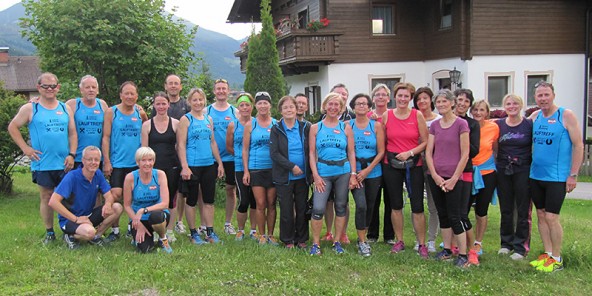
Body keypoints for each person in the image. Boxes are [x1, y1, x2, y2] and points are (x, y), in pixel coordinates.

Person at [8, 72, 77, 245]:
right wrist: (25, 148)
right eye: (46, 86)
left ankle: (69, 230)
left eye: (53, 86)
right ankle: (49, 232)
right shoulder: (31, 108)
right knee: (46, 197)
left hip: (64, 162)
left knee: (68, 197)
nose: (50, 89)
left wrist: (72, 154)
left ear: (58, 88)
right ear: (39, 87)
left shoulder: (64, 108)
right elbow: (13, 127)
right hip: (43, 163)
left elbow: (72, 133)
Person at [528, 81, 583, 272]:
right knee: (541, 215)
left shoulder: (565, 115)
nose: (543, 98)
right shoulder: (534, 117)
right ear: (535, 98)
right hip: (536, 175)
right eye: (539, 95)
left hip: (557, 177)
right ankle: (548, 254)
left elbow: (578, 145)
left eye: (546, 95)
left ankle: (558, 259)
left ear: (553, 95)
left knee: (552, 217)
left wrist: (573, 175)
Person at [381, 82, 429, 258]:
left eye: (406, 96)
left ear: (410, 98)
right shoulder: (387, 115)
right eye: (400, 96)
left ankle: (422, 243)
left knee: (417, 206)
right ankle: (399, 240)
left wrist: (410, 152)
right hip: (391, 164)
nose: (402, 99)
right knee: (396, 205)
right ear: (395, 97)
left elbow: (425, 141)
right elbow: (383, 141)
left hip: (413, 164)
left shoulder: (417, 116)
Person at [425, 89, 471, 268]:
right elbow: (429, 152)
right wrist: (435, 175)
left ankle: (464, 254)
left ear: (452, 103)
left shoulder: (461, 124)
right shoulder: (435, 125)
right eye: (438, 102)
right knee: (442, 214)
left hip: (454, 178)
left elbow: (465, 153)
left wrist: (454, 178)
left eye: (445, 101)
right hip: (436, 176)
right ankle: (446, 249)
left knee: (455, 215)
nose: (441, 104)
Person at [308, 92, 358, 255]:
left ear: (341, 108)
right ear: (325, 106)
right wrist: (315, 175)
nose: (333, 107)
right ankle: (315, 244)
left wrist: (352, 173)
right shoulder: (316, 128)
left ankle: (337, 241)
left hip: (342, 172)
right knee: (318, 208)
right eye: (331, 104)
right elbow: (311, 153)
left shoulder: (345, 127)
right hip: (323, 172)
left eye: (337, 105)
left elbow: (351, 152)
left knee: (341, 206)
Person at [48, 146, 123, 249]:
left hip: (88, 216)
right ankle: (70, 236)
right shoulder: (72, 177)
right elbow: (53, 202)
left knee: (117, 207)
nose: (93, 162)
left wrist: (107, 204)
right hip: (70, 220)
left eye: (96, 160)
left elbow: (108, 195)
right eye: (89, 159)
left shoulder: (98, 174)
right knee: (89, 232)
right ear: (83, 160)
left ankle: (96, 237)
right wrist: (76, 219)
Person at [102, 81, 148, 242]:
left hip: (136, 164)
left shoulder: (140, 113)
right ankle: (114, 230)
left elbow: (146, 132)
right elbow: (106, 137)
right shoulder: (111, 112)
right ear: (120, 95)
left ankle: (131, 227)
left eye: (132, 94)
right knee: (116, 195)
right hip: (118, 163)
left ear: (137, 96)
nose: (129, 96)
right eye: (126, 93)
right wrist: (106, 160)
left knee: (135, 196)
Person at [178, 88, 225, 245]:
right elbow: (181, 145)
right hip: (192, 165)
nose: (198, 103)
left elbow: (212, 142)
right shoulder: (186, 119)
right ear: (189, 102)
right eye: (195, 100)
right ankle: (193, 234)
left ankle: (209, 232)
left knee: (209, 200)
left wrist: (219, 163)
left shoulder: (208, 119)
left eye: (200, 100)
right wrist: (184, 166)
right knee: (191, 200)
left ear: (204, 101)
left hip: (208, 165)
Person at [270, 96, 311, 249]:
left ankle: (301, 239)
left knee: (302, 208)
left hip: (303, 177)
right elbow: (274, 153)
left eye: (291, 107)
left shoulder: (305, 127)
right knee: (287, 210)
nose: (289, 110)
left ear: (296, 109)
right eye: (285, 107)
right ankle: (288, 239)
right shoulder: (276, 129)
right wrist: (291, 166)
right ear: (280, 111)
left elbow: (311, 150)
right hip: (284, 176)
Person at [495, 94, 533, 260]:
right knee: (506, 208)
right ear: (504, 106)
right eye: (508, 104)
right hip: (504, 169)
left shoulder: (528, 125)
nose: (512, 106)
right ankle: (506, 243)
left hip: (523, 169)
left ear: (521, 105)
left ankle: (520, 246)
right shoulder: (499, 125)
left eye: (515, 103)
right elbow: (495, 147)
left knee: (523, 209)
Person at [141, 92, 180, 242]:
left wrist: (183, 166)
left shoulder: (176, 124)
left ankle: (169, 230)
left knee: (171, 200)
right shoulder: (147, 125)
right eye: (158, 103)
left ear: (168, 105)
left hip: (172, 166)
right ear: (154, 105)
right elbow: (144, 150)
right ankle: (157, 228)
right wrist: (145, 168)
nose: (161, 106)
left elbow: (180, 146)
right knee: (155, 199)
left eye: (164, 103)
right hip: (153, 168)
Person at [349, 93, 385, 256]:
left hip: (373, 171)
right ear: (353, 107)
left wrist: (367, 170)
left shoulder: (376, 126)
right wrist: (355, 172)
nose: (362, 106)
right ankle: (362, 241)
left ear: (369, 107)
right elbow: (345, 150)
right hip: (354, 171)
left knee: (371, 206)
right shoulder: (347, 125)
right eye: (358, 104)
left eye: (365, 103)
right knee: (361, 205)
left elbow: (381, 151)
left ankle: (365, 233)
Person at [242, 91, 278, 245]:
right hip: (256, 168)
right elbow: (245, 149)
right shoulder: (251, 125)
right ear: (255, 106)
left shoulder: (276, 124)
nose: (263, 106)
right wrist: (246, 171)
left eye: (265, 103)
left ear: (270, 105)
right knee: (260, 203)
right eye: (260, 103)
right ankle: (261, 235)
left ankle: (271, 234)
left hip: (273, 169)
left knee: (271, 203)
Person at [320, 83, 354, 244]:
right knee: (328, 201)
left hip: (343, 168)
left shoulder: (351, 117)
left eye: (343, 95)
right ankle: (328, 231)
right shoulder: (321, 121)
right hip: (325, 169)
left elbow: (351, 149)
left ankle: (343, 233)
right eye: (336, 95)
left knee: (342, 202)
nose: (339, 98)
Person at [123, 147, 172, 253]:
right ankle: (138, 238)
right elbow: (126, 206)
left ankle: (163, 238)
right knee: (146, 249)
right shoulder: (130, 178)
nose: (147, 163)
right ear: (137, 162)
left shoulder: (160, 175)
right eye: (143, 160)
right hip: (138, 219)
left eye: (150, 160)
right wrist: (138, 224)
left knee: (156, 216)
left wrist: (143, 210)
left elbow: (165, 204)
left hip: (157, 216)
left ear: (154, 161)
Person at [206, 78, 238, 235]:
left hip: (231, 157)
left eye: (223, 88)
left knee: (231, 189)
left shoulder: (235, 112)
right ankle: (205, 225)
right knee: (205, 190)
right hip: (211, 158)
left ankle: (228, 223)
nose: (221, 91)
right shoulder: (207, 111)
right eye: (218, 88)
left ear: (228, 90)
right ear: (214, 91)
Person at [468, 100, 499, 259]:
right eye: (475, 110)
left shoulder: (493, 127)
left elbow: (496, 150)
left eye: (481, 110)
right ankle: (460, 240)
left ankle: (478, 242)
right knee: (463, 208)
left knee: (481, 209)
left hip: (487, 173)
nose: (478, 113)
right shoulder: (467, 125)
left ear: (487, 113)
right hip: (468, 171)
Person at [160, 74, 190, 236]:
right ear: (166, 86)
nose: (173, 86)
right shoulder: (160, 104)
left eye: (176, 83)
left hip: (182, 151)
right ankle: (162, 219)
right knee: (166, 188)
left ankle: (179, 221)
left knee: (181, 191)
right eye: (170, 83)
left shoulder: (186, 104)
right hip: (165, 152)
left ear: (180, 86)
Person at [452, 88, 480, 265]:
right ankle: (453, 246)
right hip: (445, 171)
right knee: (450, 213)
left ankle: (471, 252)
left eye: (466, 101)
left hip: (465, 172)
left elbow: (474, 150)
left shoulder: (472, 124)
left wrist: (460, 139)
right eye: (459, 99)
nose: (462, 103)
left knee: (462, 213)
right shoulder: (444, 121)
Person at [412, 86, 441, 253]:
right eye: (418, 99)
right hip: (416, 163)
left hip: (434, 165)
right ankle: (418, 239)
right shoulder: (413, 117)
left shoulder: (438, 119)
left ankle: (431, 239)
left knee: (433, 205)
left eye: (425, 98)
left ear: (431, 100)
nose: (422, 101)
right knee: (416, 204)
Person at [226, 93, 258, 240]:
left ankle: (253, 230)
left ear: (252, 107)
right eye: (241, 105)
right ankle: (240, 230)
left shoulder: (257, 123)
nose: (244, 108)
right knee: (243, 199)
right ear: (237, 108)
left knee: (255, 200)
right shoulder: (233, 125)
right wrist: (240, 155)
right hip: (239, 166)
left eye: (247, 105)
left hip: (256, 166)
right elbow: (229, 147)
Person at [366, 83, 395, 245]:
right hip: (374, 162)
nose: (381, 97)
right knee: (373, 199)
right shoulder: (368, 115)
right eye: (377, 94)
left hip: (389, 161)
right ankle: (372, 233)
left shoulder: (393, 115)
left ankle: (389, 235)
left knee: (390, 199)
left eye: (384, 94)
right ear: (373, 98)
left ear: (388, 98)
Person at [65, 75, 109, 168]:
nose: (91, 90)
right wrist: (36, 100)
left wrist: (136, 107)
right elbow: (55, 109)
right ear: (81, 90)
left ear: (97, 90)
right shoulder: (72, 104)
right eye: (87, 87)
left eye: (93, 87)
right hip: (77, 157)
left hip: (97, 158)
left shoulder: (103, 105)